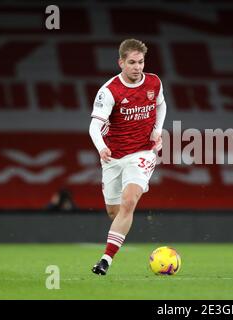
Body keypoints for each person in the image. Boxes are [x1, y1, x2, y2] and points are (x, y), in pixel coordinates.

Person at [89, 39, 166, 275]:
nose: (137, 67)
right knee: (115, 212)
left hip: (142, 152)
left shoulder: (154, 82)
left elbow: (161, 105)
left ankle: (105, 260)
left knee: (129, 201)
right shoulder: (109, 90)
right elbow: (94, 126)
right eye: (132, 62)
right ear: (121, 62)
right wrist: (102, 147)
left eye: (141, 62)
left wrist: (157, 129)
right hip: (113, 157)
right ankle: (116, 238)